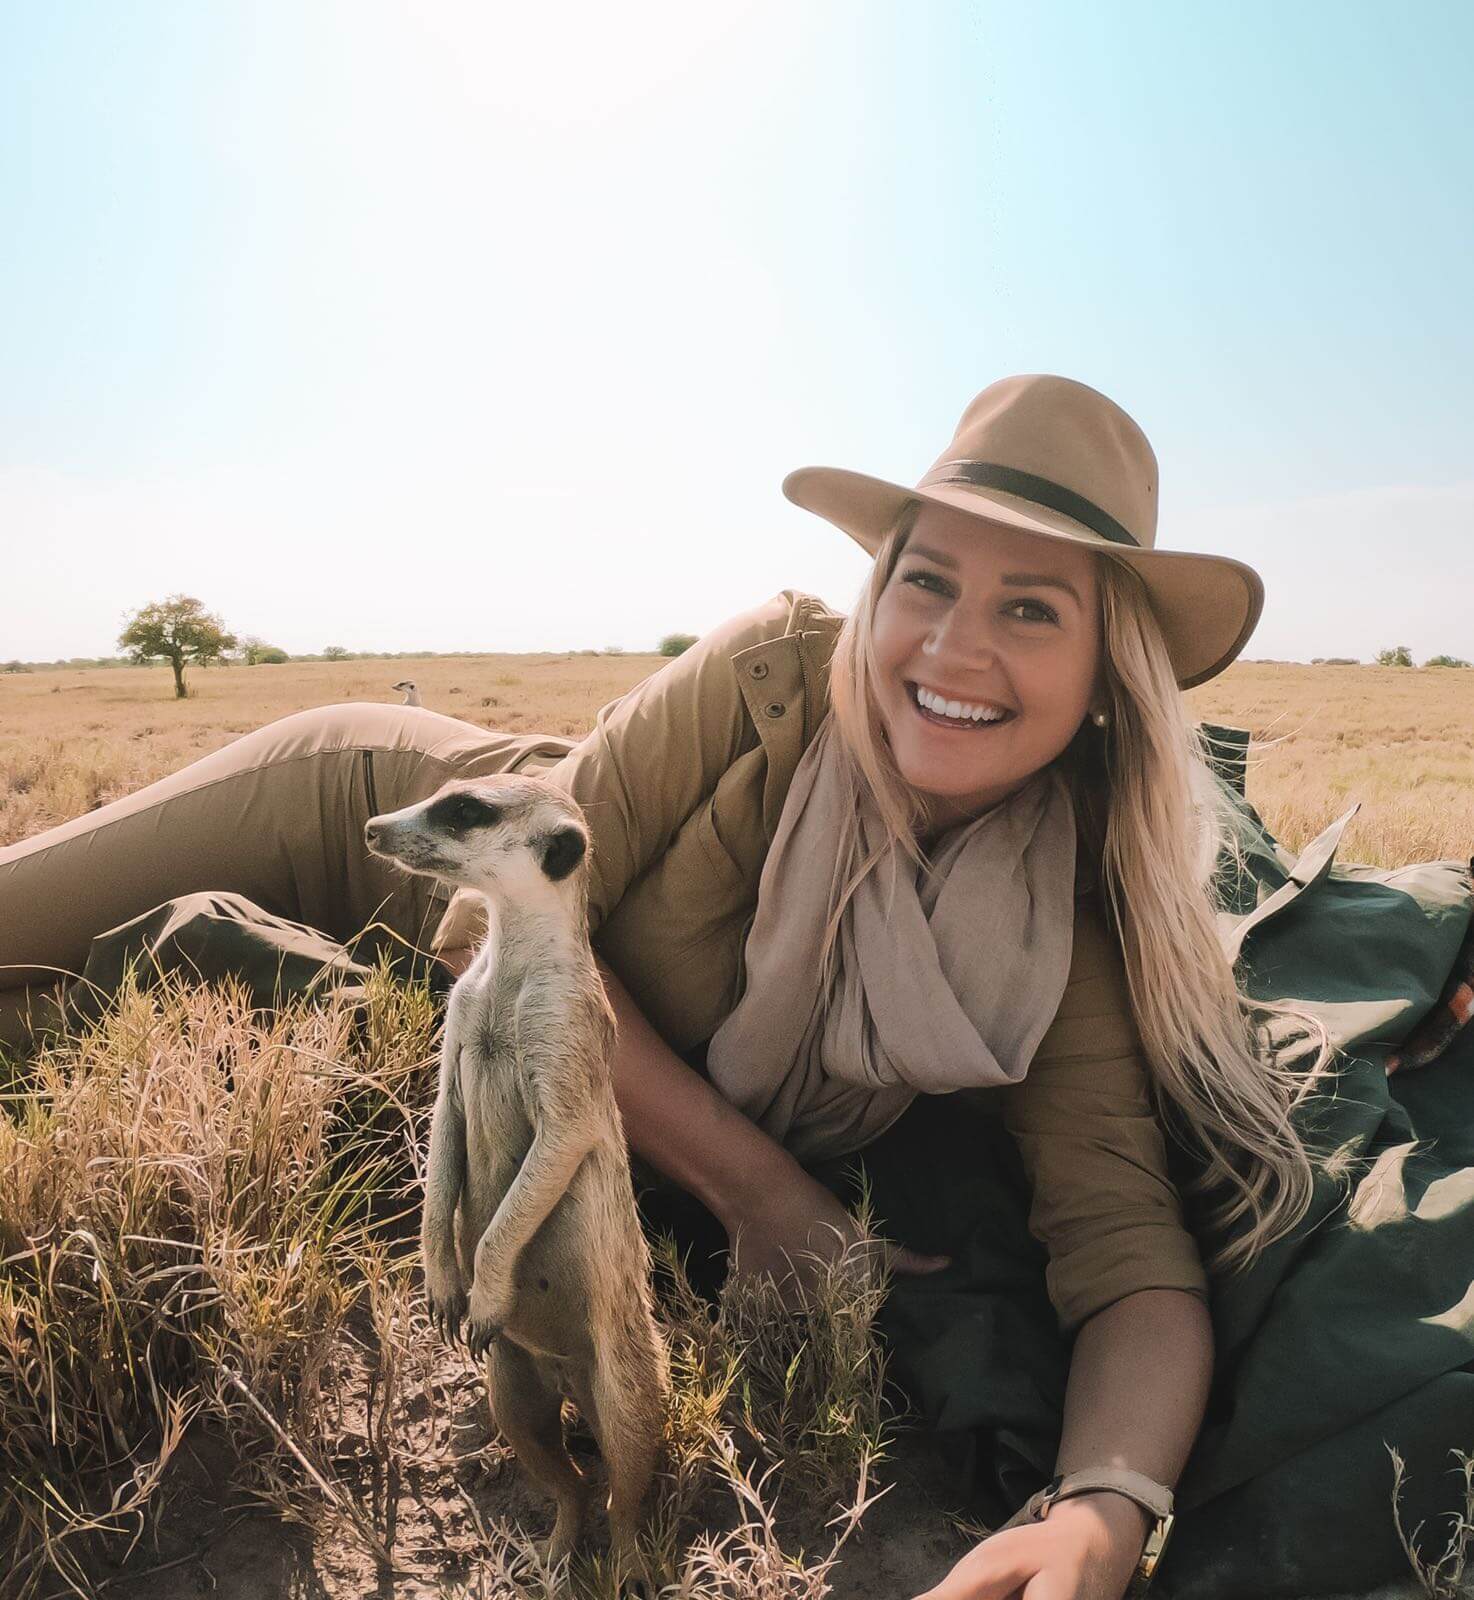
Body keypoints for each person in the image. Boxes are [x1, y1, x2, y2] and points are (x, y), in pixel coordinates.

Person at [4, 375, 1474, 1600]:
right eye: (926, 581)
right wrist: (764, 1192)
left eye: (1031, 610)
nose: (954, 645)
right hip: (369, 821)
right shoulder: (775, 667)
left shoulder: (1066, 924)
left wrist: (1101, 1504)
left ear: (1105, 677)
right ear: (874, 590)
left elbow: (1128, 1263)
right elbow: (499, 938)